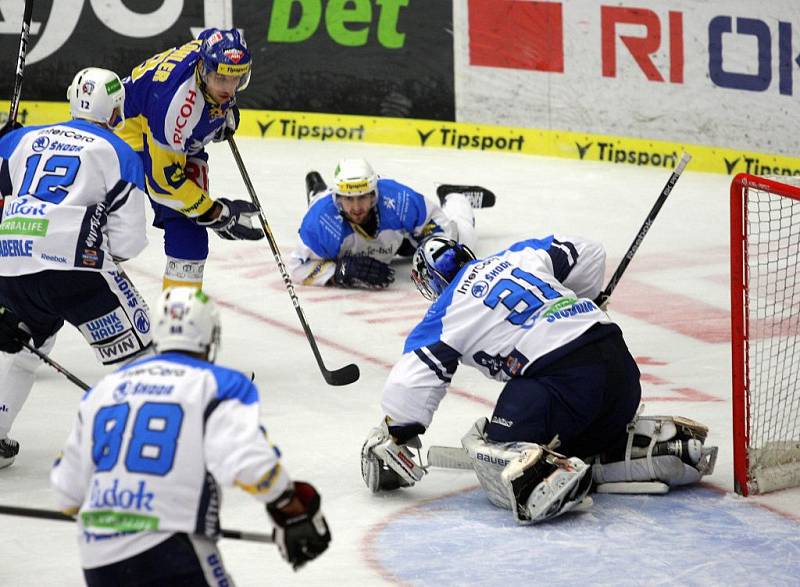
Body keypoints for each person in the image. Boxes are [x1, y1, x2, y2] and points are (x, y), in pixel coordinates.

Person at [361, 234, 718, 524]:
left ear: (430, 283)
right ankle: (656, 447)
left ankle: (542, 477)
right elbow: (590, 251)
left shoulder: (445, 310)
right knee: (577, 425)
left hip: (565, 386)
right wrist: (584, 300)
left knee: (494, 442)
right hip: (621, 369)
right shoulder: (519, 254)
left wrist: (398, 432)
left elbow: (411, 382)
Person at [50, 287, 331, 584]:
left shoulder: (104, 390)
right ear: (210, 337)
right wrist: (288, 506)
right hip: (171, 548)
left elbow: (66, 493)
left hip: (98, 557)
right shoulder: (218, 384)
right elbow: (253, 465)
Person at [0, 67, 154, 469]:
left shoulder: (20, 140)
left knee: (26, 348)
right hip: (76, 269)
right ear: (117, 109)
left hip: (11, 262)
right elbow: (129, 240)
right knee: (138, 351)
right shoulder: (119, 152)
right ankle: (151, 442)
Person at [119, 27, 263, 290]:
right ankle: (178, 322)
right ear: (203, 68)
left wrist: (218, 114)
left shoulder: (208, 52)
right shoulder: (177, 111)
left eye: (237, 79)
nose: (230, 89)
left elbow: (210, 34)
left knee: (194, 228)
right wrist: (218, 213)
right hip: (130, 134)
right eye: (221, 79)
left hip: (172, 130)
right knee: (186, 227)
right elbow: (164, 184)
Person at [287, 158, 495, 289]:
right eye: (349, 199)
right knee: (318, 208)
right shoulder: (321, 221)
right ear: (338, 198)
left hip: (400, 238)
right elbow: (295, 268)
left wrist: (433, 258)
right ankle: (317, 192)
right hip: (342, 239)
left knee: (462, 240)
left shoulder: (400, 200)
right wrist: (341, 272)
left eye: (363, 197)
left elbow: (441, 226)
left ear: (375, 194)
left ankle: (455, 196)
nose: (357, 207)